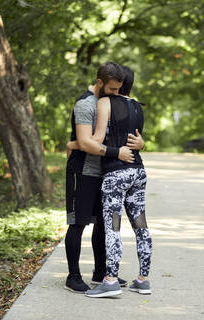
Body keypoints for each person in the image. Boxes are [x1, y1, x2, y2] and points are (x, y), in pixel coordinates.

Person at [64, 62, 144, 293]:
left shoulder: (109, 103)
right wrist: (114, 152)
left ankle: (101, 273)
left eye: (119, 89)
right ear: (100, 83)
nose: (116, 94)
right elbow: (85, 141)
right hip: (83, 172)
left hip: (106, 173)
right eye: (112, 89)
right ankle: (73, 276)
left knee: (101, 224)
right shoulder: (86, 105)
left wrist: (141, 143)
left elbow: (123, 134)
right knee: (78, 223)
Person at [86, 66, 152, 298]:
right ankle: (143, 280)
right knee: (140, 225)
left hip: (115, 175)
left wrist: (77, 142)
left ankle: (111, 280)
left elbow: (96, 139)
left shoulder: (106, 103)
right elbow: (136, 140)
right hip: (138, 172)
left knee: (112, 227)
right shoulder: (137, 106)